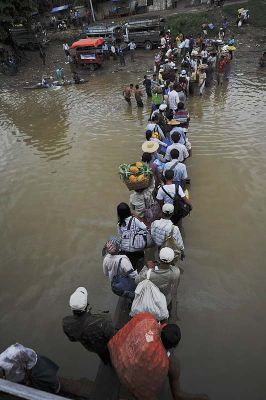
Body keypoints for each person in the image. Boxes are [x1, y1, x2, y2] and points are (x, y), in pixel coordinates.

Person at [62, 287, 115, 365]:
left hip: (91, 348)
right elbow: (112, 336)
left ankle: (107, 362)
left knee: (102, 355)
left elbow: (72, 339)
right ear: (87, 304)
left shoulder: (66, 322)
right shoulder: (103, 319)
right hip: (106, 344)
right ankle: (113, 361)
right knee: (111, 352)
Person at [117, 202, 147, 268]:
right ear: (128, 211)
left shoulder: (119, 224)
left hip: (125, 251)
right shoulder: (135, 220)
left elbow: (120, 237)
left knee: (128, 269)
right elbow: (145, 228)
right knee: (139, 267)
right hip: (137, 249)